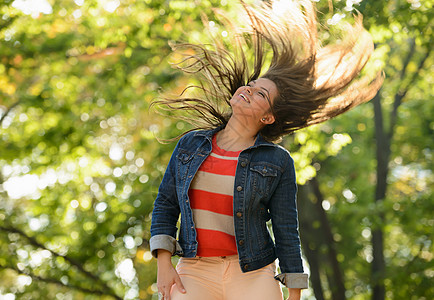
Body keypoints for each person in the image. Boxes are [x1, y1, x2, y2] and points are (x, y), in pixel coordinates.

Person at [149, 1, 383, 299]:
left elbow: (286, 229)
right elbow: (166, 205)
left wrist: (295, 292)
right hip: (195, 270)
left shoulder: (277, 161)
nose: (247, 89)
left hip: (253, 273)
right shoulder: (191, 145)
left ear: (267, 117)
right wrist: (163, 262)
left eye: (260, 93)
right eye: (250, 85)